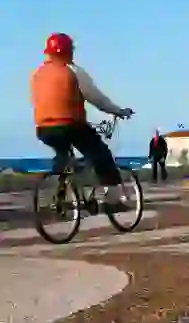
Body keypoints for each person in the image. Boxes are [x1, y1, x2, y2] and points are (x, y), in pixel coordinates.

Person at [30, 33, 135, 209]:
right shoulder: (73, 70)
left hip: (44, 128)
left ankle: (60, 197)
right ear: (68, 51)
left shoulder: (38, 74)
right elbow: (97, 99)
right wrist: (118, 111)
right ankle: (113, 201)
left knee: (63, 157)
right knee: (100, 154)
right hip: (71, 125)